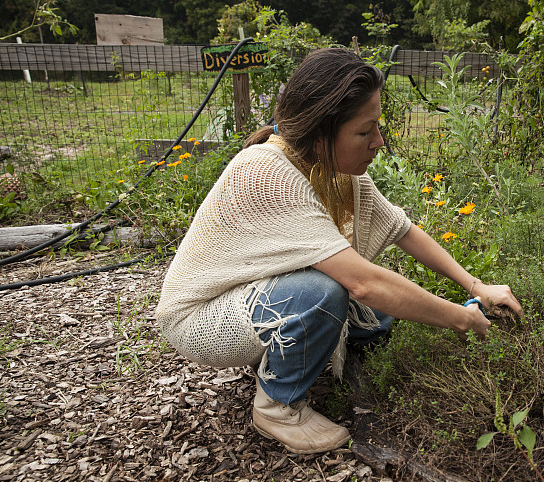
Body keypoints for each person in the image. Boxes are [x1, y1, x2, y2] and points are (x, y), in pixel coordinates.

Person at [156, 47, 523, 454]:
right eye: (365, 132)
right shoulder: (268, 174)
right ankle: (277, 406)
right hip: (201, 318)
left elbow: (403, 230)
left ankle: (295, 350)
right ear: (321, 133)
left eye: (377, 128)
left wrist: (477, 284)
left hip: (254, 294)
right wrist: (463, 320)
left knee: (380, 315)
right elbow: (363, 282)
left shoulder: (330, 168)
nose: (379, 142)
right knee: (324, 295)